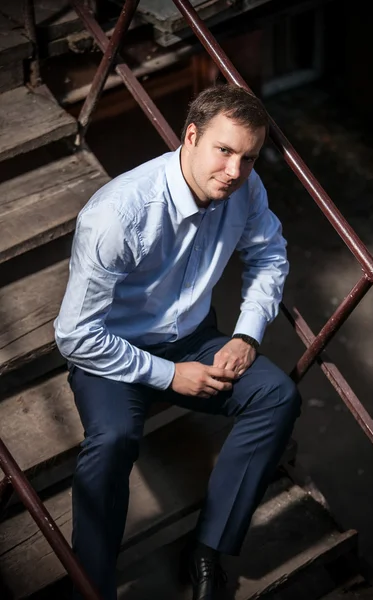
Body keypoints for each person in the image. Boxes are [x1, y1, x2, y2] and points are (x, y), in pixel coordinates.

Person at [54, 83, 301, 600]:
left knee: (278, 396)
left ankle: (208, 546)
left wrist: (246, 333)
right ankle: (92, 582)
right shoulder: (118, 216)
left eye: (249, 158)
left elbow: (269, 255)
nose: (235, 172)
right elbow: (76, 335)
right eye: (225, 150)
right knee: (114, 440)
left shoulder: (245, 189)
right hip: (112, 353)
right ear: (191, 136)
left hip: (194, 339)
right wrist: (169, 375)